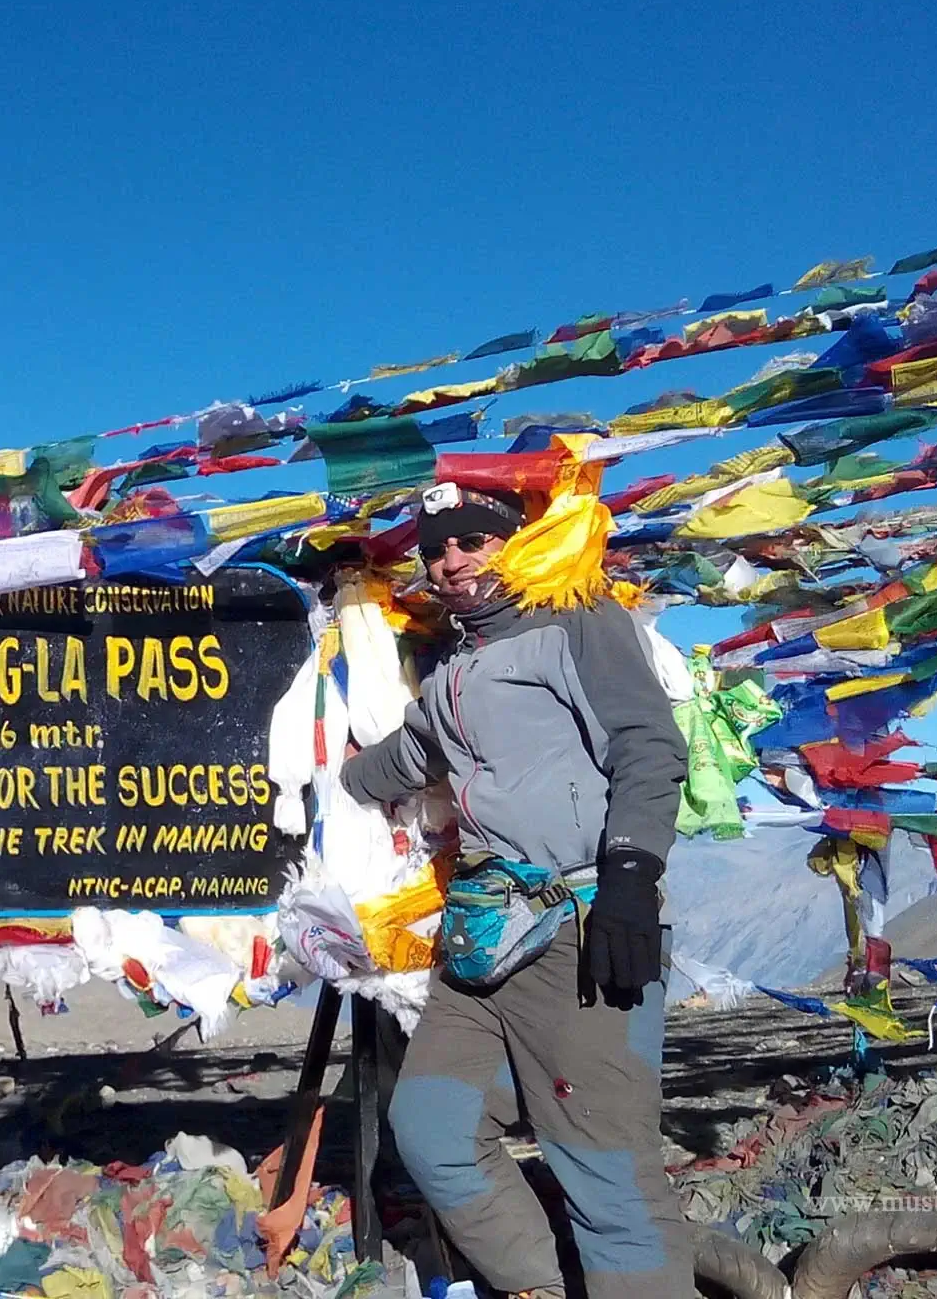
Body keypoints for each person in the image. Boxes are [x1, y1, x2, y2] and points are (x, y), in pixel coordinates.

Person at [341, 481, 693, 1299]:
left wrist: (633, 875)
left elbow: (647, 742)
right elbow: (402, 760)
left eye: (473, 541)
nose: (452, 560)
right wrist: (298, 792)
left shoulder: (579, 619)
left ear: (517, 543)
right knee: (431, 1129)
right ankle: (547, 1285)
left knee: (603, 1162)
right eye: (437, 549)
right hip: (485, 933)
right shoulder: (457, 667)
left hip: (581, 925)